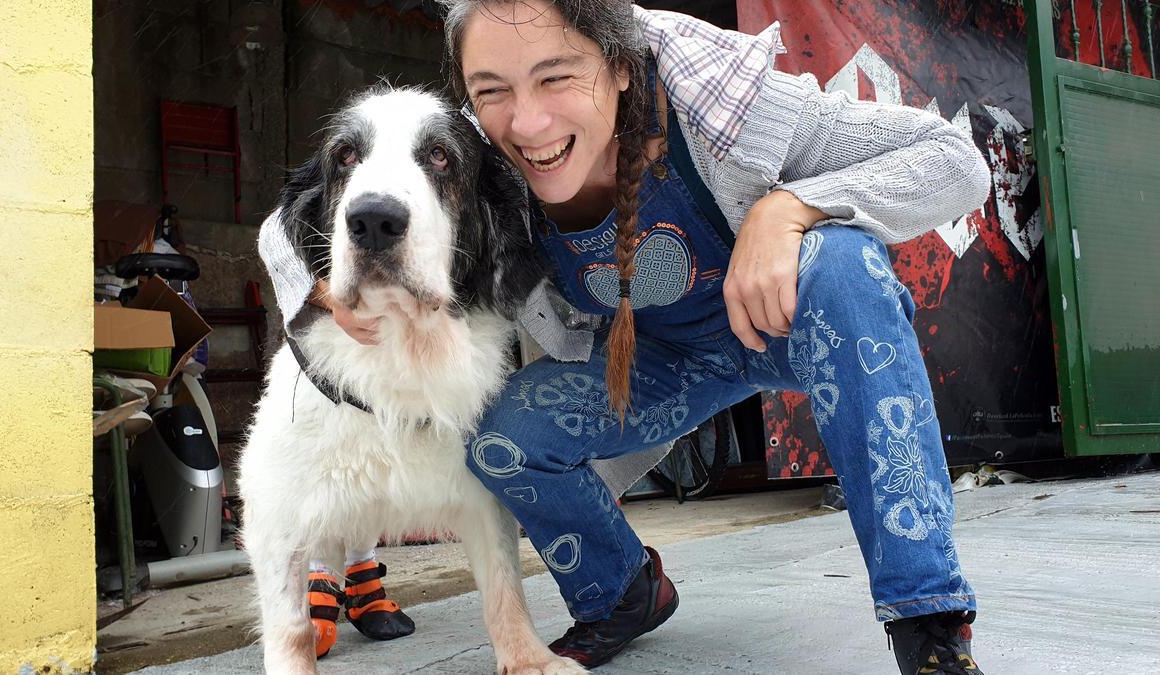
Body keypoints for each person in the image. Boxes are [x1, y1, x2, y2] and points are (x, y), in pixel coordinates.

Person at [262, 2, 991, 673]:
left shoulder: (728, 109)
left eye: (556, 76)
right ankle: (622, 591)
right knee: (500, 436)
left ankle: (928, 621)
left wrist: (792, 207)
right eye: (494, 91)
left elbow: (956, 161)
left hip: (798, 322)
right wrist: (323, 293)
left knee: (841, 261)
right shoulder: (483, 162)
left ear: (619, 65)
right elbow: (283, 225)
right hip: (661, 365)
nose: (530, 122)